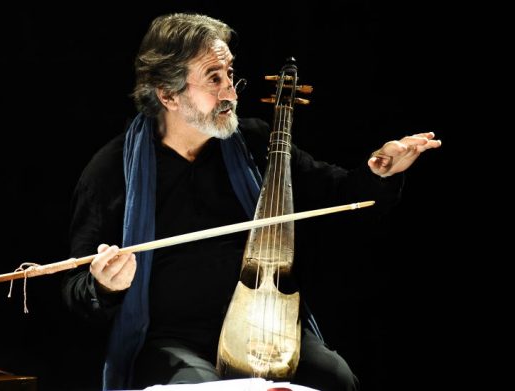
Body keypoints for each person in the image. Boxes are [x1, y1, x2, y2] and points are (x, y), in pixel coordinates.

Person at [61, 12, 441, 391]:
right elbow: (77, 284)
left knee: (335, 379)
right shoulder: (112, 171)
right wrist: (105, 285)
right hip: (172, 342)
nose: (231, 91)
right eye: (214, 78)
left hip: (267, 323)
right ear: (168, 94)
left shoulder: (257, 142)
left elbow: (340, 194)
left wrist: (381, 171)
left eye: (230, 74)